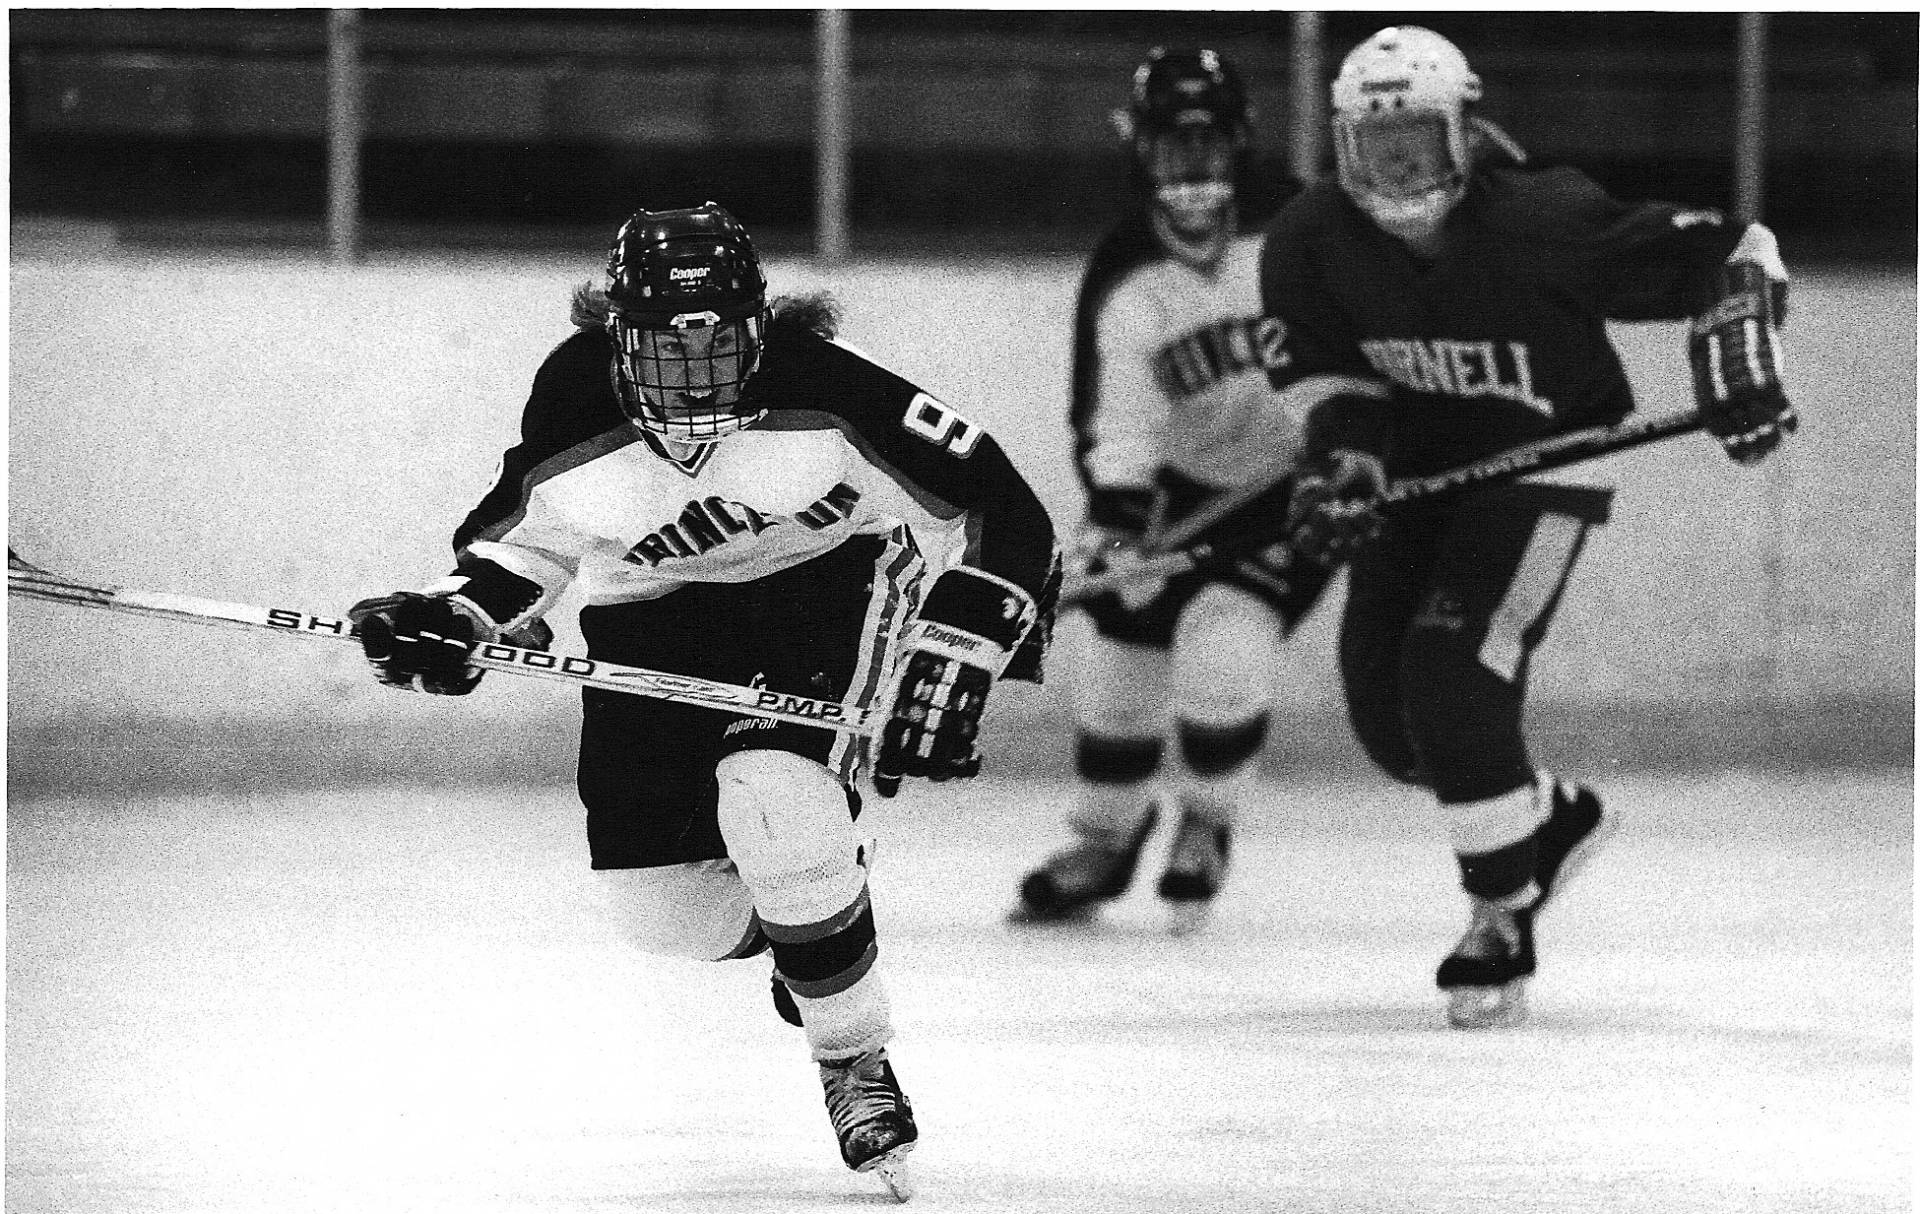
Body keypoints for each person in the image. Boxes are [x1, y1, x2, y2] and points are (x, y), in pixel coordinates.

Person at [349, 202, 1059, 1198]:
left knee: (775, 791)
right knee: (665, 914)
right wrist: (453, 619)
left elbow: (997, 502)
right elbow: (525, 546)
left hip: (820, 590)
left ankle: (851, 1055)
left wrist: (958, 647)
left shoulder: (828, 381)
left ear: (760, 330)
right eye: (669, 349)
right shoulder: (571, 397)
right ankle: (810, 921)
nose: (696, 377)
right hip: (651, 615)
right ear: (616, 336)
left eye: (721, 345)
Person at [1258, 27, 1798, 1027]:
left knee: (1452, 672)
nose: (1398, 163)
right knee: (1392, 726)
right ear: (1341, 144)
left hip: (1546, 465)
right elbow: (1334, 383)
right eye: (1375, 143)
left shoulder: (1548, 222)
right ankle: (1550, 818)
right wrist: (1350, 459)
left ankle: (1500, 911)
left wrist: (1740, 334)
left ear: (1465, 131)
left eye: (1418, 136)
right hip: (1415, 480)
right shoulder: (1307, 238)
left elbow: (1734, 246)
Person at [1011, 47, 1333, 932]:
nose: (1191, 165)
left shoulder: (1305, 228)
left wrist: (1353, 445)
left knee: (1225, 648)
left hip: (1301, 486)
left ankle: (1206, 822)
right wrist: (1119, 514)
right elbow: (1117, 415)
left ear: (1241, 144)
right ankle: (1107, 840)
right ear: (1140, 150)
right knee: (1118, 671)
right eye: (1171, 144)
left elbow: (1369, 340)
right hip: (1179, 493)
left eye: (1207, 142)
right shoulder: (1125, 268)